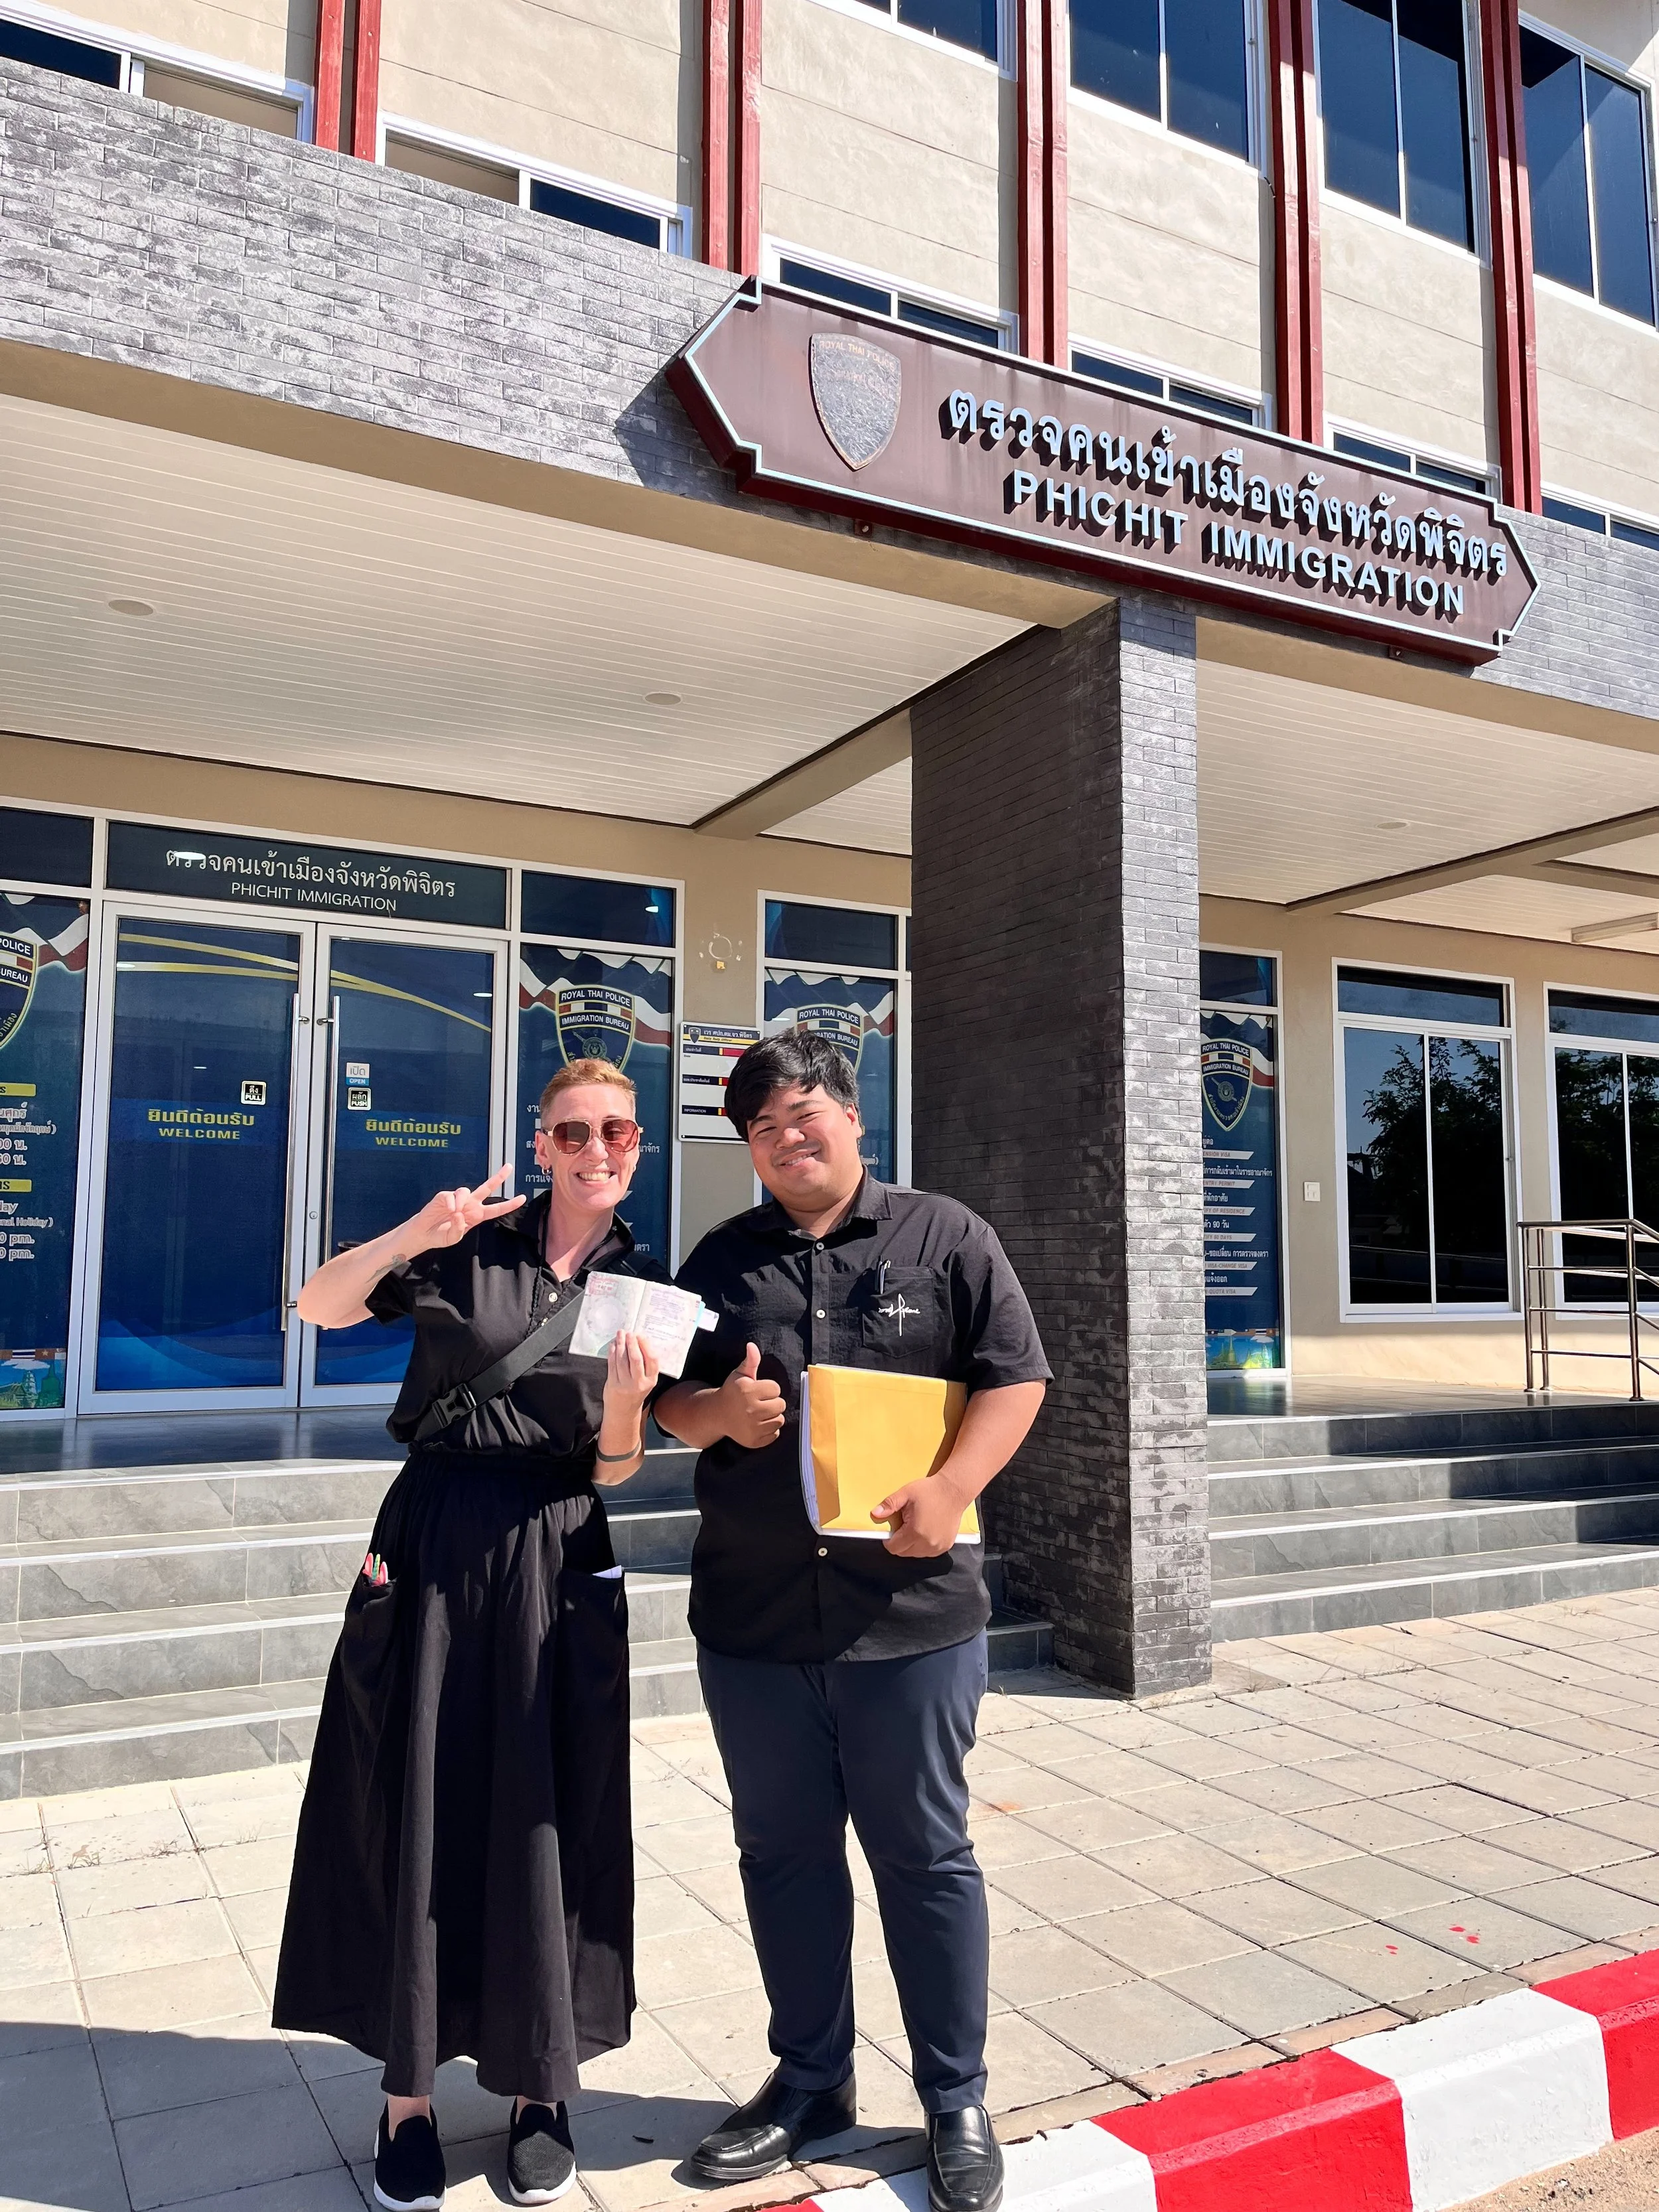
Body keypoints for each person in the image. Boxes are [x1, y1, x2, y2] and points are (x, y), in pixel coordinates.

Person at [654, 1029, 1049, 2212]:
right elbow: (666, 1407)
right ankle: (811, 2080)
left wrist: (953, 1487)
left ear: (853, 1119)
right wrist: (714, 1413)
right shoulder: (719, 1265)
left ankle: (954, 2096)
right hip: (756, 1623)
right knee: (782, 1857)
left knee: (924, 1857)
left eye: (807, 1111)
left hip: (913, 1624)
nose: (789, 1136)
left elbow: (1016, 1376)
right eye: (764, 1126)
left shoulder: (947, 1237)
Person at [273, 1059, 667, 2212]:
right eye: (573, 1131)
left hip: (558, 1546)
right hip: (435, 1538)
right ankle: (407, 2096)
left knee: (548, 1809)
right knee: (413, 1802)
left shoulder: (645, 1284)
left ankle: (542, 2089)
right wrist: (420, 1225)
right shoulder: (465, 1248)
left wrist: (633, 1408)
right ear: (539, 1144)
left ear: (637, 1144)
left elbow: (615, 1466)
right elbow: (319, 1304)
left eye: (618, 1131)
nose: (598, 1148)